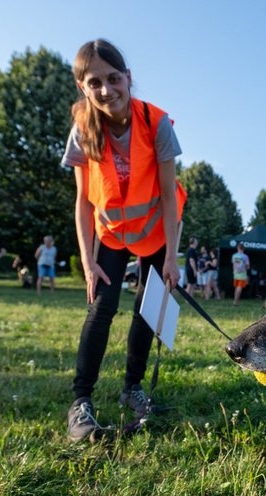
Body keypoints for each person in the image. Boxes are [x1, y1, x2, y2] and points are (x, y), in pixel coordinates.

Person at [61, 39, 186, 442]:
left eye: (113, 78)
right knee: (102, 308)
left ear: (128, 78)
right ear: (83, 86)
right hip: (111, 235)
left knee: (148, 313)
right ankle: (81, 402)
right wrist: (87, 260)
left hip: (154, 233)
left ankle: (133, 388)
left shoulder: (156, 123)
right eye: (94, 82)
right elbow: (82, 201)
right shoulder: (82, 131)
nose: (105, 90)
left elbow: (169, 196)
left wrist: (171, 256)